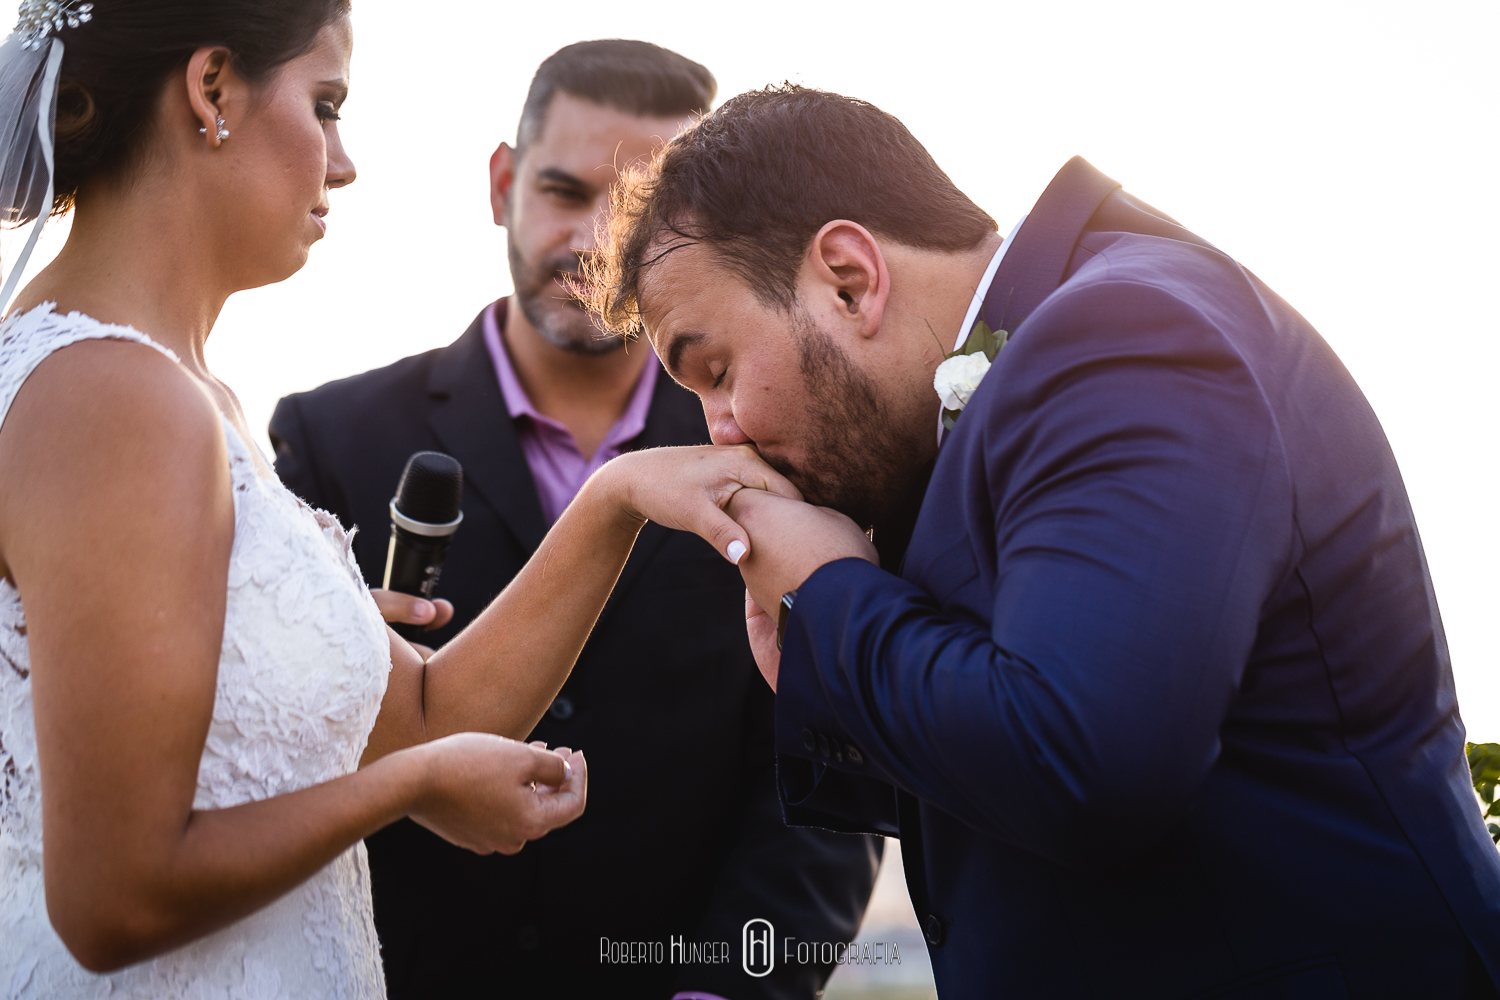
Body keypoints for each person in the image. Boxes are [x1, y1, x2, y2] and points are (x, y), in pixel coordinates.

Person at [584, 84, 1500, 998]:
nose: (722, 432)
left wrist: (834, 599)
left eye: (716, 371)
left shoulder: (1128, 338)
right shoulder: (1021, 382)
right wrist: (828, 658)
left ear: (849, 279)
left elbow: (1084, 766)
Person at [0, 7, 793, 998]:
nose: (343, 162)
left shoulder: (189, 393)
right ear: (212, 92)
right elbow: (115, 896)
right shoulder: (113, 397)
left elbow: (425, 711)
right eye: (325, 104)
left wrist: (615, 499)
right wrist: (409, 788)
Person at [270, 40, 880, 1000]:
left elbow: (818, 780)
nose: (599, 241)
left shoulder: (778, 449)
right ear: (503, 184)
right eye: (563, 191)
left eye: (643, 214)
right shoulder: (330, 435)